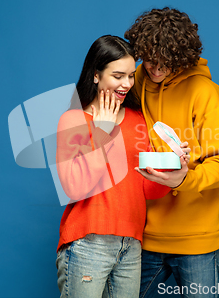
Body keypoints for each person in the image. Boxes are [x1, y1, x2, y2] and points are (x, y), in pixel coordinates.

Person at [55, 35, 190, 298]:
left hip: (131, 245)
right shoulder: (73, 119)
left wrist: (174, 168)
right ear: (96, 75)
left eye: (130, 75)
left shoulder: (137, 119)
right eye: (118, 76)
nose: (127, 84)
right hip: (87, 244)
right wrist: (104, 133)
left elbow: (147, 187)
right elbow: (74, 187)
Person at [124, 7, 219, 298]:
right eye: (150, 59)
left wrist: (183, 179)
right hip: (144, 234)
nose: (155, 68)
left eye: (165, 62)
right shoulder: (136, 81)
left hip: (196, 239)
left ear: (181, 57)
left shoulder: (205, 93)